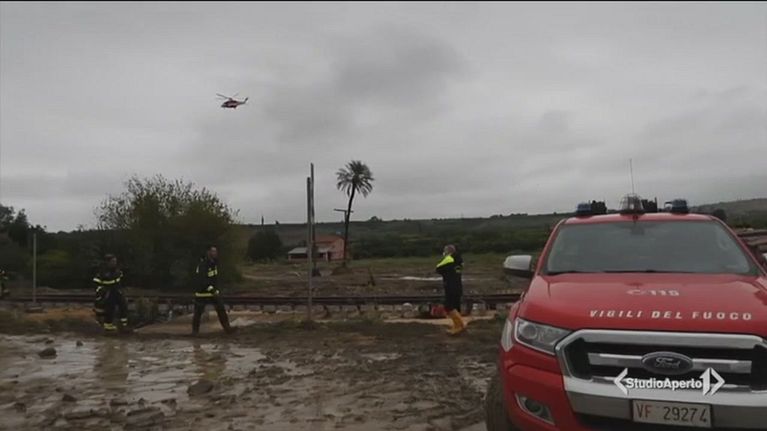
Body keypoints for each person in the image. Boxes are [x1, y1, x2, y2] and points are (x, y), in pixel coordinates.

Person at [192, 245, 234, 335]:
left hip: (212, 292)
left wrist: (217, 289)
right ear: (208, 252)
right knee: (198, 312)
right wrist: (212, 290)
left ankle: (227, 329)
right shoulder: (203, 265)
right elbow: (203, 280)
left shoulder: (214, 263)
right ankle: (195, 332)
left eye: (216, 251)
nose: (215, 253)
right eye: (213, 251)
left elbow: (214, 279)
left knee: (221, 309)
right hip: (202, 293)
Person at [93, 254, 129, 333]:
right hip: (108, 292)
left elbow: (120, 278)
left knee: (123, 305)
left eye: (115, 261)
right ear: (107, 262)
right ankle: (108, 325)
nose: (114, 263)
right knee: (110, 308)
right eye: (112, 261)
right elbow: (96, 282)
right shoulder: (102, 272)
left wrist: (121, 289)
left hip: (117, 291)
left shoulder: (117, 270)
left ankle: (124, 324)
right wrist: (101, 291)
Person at [436, 244, 466, 335]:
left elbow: (438, 268)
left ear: (448, 251)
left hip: (450, 286)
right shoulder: (459, 260)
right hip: (458, 286)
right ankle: (457, 326)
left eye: (445, 251)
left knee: (449, 306)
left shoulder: (449, 259)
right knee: (455, 307)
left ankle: (460, 326)